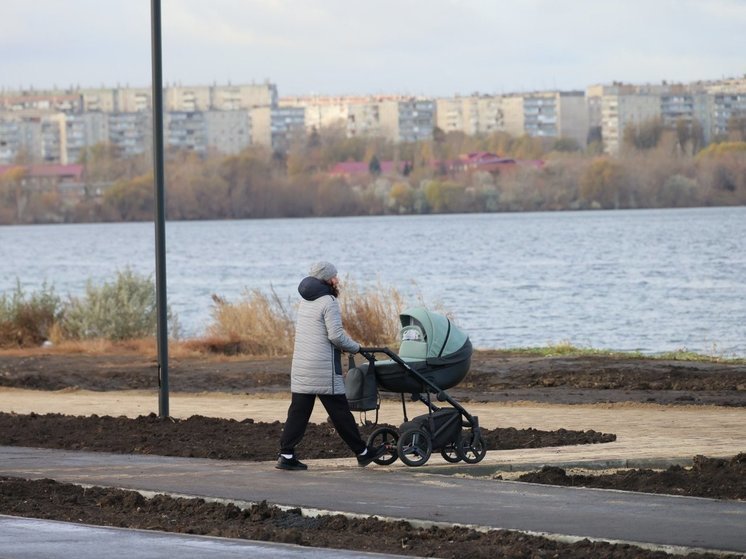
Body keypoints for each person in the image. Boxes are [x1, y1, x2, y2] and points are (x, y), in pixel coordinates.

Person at [276, 261, 386, 471]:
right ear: (326, 279)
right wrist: (356, 348)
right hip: (323, 368)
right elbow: (336, 336)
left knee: (298, 412)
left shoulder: (306, 300)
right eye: (334, 276)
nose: (337, 280)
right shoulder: (328, 300)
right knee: (341, 413)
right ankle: (362, 453)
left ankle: (286, 454)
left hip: (302, 366)